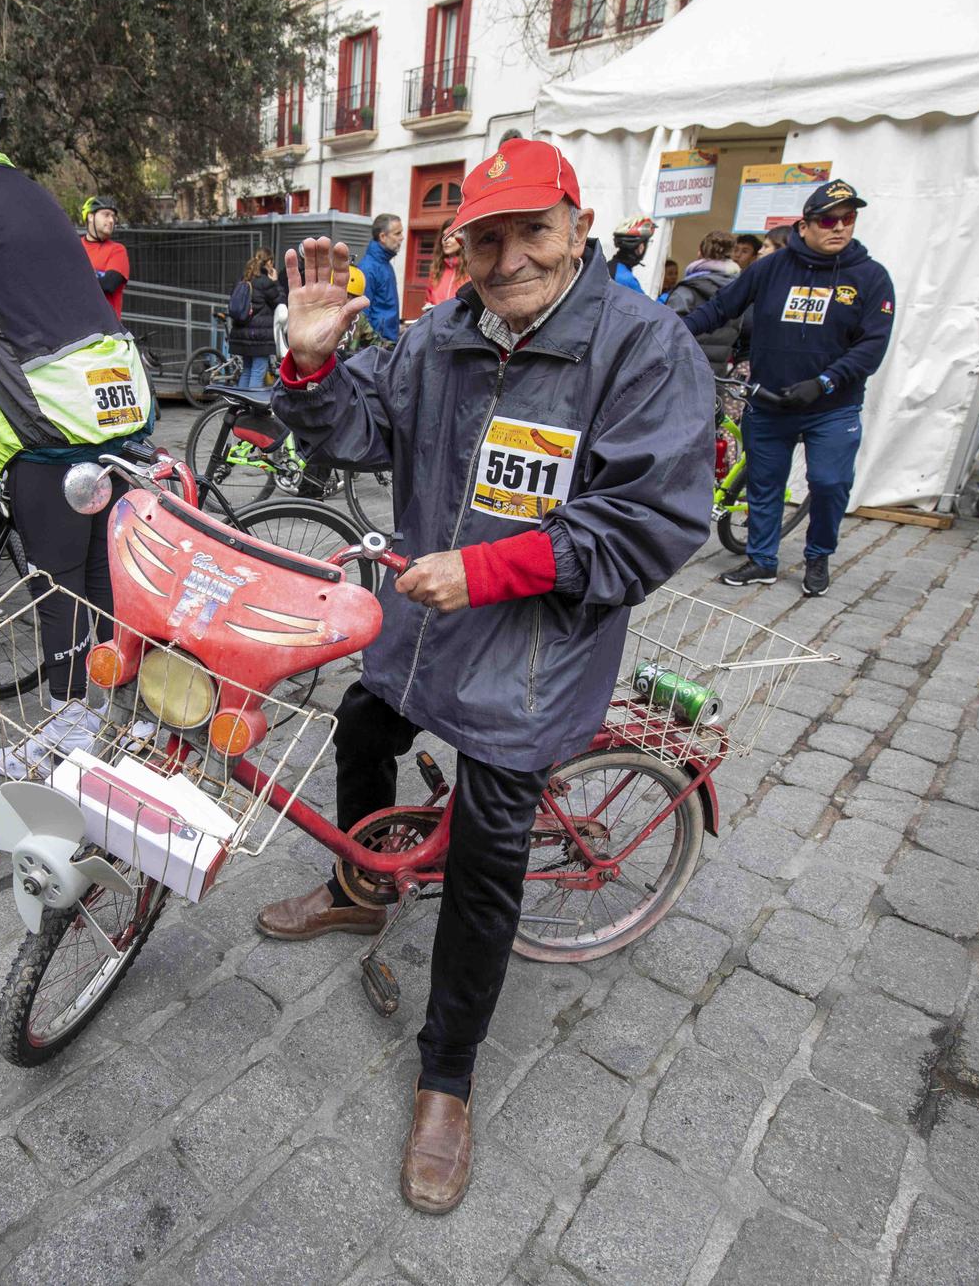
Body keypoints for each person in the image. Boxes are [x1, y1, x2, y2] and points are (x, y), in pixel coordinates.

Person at [258, 138, 712, 1215]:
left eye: (530, 233)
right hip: (423, 624)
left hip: (534, 652)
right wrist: (312, 365)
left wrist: (489, 567)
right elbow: (355, 428)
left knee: (482, 858)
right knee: (361, 729)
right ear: (458, 249)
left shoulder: (643, 349)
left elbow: (646, 525)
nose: (507, 260)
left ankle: (447, 1076)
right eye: (484, 239)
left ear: (576, 223)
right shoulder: (439, 335)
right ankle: (360, 886)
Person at [0, 68, 157, 773]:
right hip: (109, 413)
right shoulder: (40, 197)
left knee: (55, 585)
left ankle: (68, 739)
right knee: (99, 581)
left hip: (38, 427)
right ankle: (105, 723)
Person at [683, 180, 895, 598]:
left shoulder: (871, 277)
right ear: (804, 225)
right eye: (828, 219)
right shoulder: (771, 267)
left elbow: (872, 346)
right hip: (769, 401)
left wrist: (824, 383)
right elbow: (721, 309)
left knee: (830, 482)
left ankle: (818, 556)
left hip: (831, 405)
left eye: (848, 218)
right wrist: (666, 329)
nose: (839, 227)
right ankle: (762, 559)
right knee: (764, 481)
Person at [666, 231, 743, 371]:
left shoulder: (687, 289)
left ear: (700, 253)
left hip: (684, 369)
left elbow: (668, 333)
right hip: (718, 372)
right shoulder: (739, 292)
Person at [227, 248, 284, 388]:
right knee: (258, 372)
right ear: (269, 262)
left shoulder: (242, 279)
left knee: (247, 371)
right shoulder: (265, 282)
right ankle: (251, 407)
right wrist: (276, 282)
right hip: (259, 336)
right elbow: (281, 301)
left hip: (241, 333)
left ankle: (240, 406)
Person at [79, 195, 129, 320]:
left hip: (106, 331)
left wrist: (75, 280)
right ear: (91, 216)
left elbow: (108, 284)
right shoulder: (75, 247)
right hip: (76, 326)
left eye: (113, 216)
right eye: (106, 215)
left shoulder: (117, 250)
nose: (111, 220)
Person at [357, 214, 404, 343]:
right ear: (383, 237)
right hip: (377, 347)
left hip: (386, 343)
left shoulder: (386, 264)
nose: (402, 237)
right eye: (397, 233)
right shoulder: (367, 268)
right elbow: (362, 315)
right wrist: (378, 344)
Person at [424, 219, 465, 310]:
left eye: (452, 235)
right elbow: (429, 299)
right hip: (437, 322)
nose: (446, 240)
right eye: (444, 236)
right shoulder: (436, 270)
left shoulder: (471, 270)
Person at [608, 216, 656, 293]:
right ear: (640, 247)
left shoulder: (608, 266)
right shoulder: (627, 280)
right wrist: (665, 297)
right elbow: (646, 304)